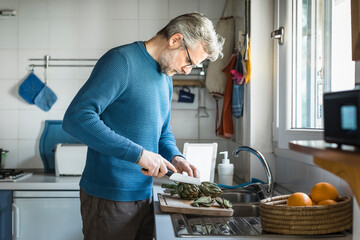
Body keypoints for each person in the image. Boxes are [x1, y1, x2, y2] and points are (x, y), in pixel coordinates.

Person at [62, 12, 224, 240]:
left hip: (146, 195)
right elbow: (77, 118)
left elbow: (163, 132)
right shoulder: (121, 61)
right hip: (110, 198)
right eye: (189, 61)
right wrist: (139, 154)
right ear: (175, 40)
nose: (187, 70)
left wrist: (176, 158)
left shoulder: (165, 77)